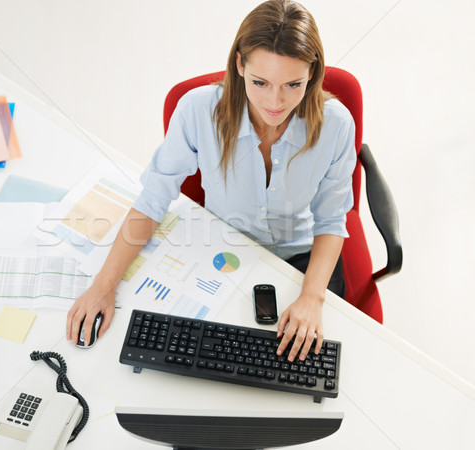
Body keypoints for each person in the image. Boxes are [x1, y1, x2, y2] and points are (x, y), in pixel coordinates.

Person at [66, 0, 356, 363]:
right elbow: (153, 199)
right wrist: (102, 286)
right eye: (260, 82)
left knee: (309, 365)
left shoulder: (337, 125)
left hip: (300, 259)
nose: (275, 102)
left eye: (292, 84)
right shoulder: (198, 111)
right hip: (223, 252)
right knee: (205, 358)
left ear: (312, 72)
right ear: (239, 63)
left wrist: (312, 299)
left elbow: (331, 219)